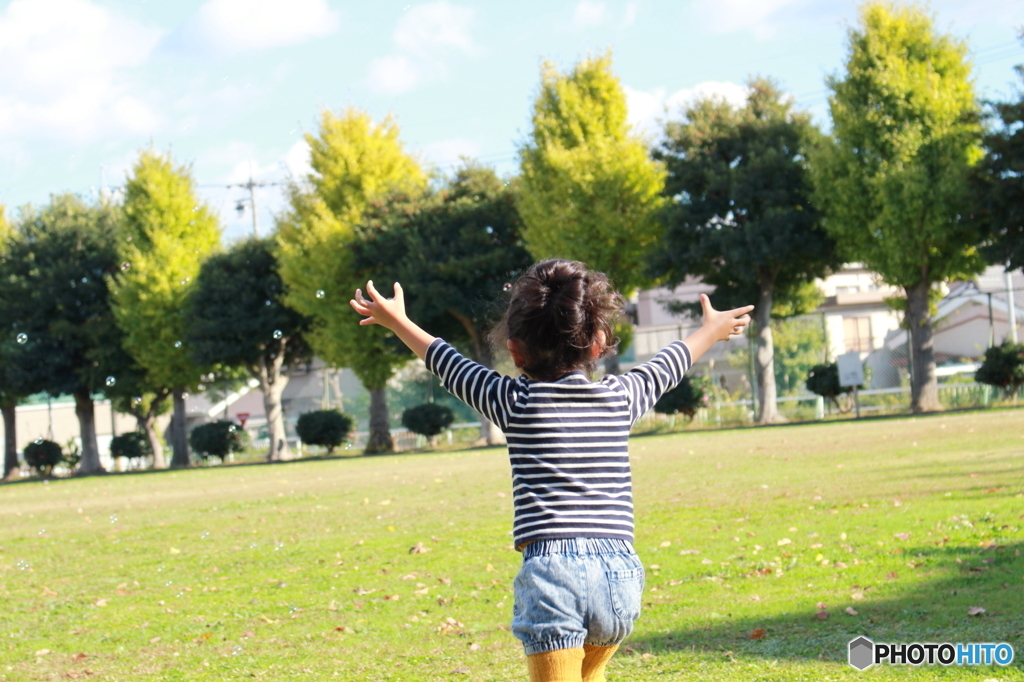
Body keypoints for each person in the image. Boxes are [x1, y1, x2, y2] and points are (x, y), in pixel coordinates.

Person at [350, 259, 752, 682]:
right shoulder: (620, 399)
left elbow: (449, 365)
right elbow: (665, 366)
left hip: (551, 571)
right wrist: (710, 329)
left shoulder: (515, 403)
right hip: (620, 574)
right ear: (598, 343)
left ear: (516, 351)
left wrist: (398, 322)